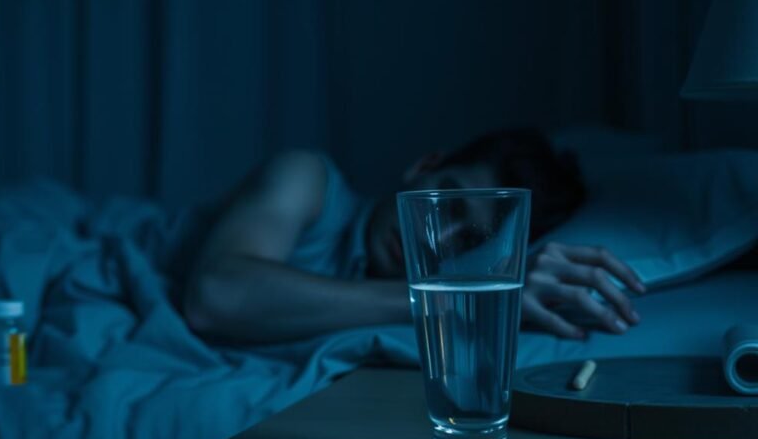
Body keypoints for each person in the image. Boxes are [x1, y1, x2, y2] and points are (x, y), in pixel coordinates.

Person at [182, 128, 647, 344]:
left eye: (467, 242)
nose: (435, 236)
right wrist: (446, 300)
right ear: (425, 165)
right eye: (446, 201)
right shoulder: (307, 178)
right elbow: (216, 295)